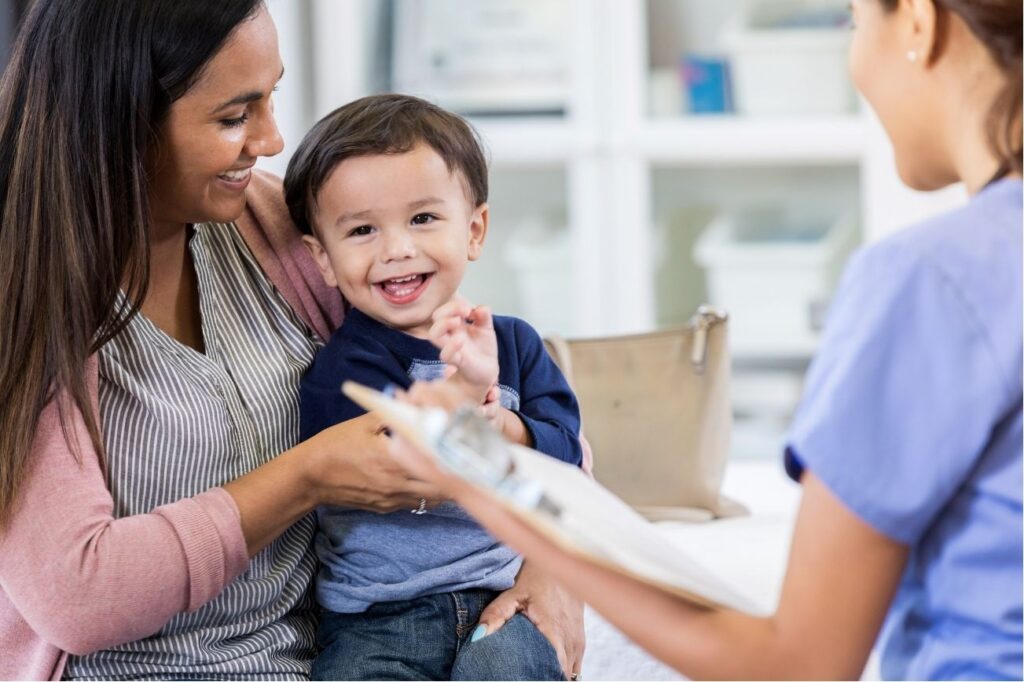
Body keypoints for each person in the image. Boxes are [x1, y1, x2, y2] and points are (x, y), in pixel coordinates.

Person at [388, 0, 1023, 679]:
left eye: (855, 21)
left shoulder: (930, 279)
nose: (855, 58)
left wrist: (490, 491)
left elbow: (798, 665)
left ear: (920, 23)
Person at [0, 2, 584, 680]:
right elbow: (79, 596)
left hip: (319, 656)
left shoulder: (277, 226)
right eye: (234, 116)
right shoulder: (26, 300)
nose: (272, 140)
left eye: (271, 97)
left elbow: (536, 416)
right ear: (120, 121)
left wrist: (555, 575)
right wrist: (307, 475)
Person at [282, 93, 583, 681]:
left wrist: (508, 427)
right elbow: (402, 468)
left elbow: (567, 453)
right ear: (322, 259)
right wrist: (467, 396)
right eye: (363, 229)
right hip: (377, 617)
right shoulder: (342, 367)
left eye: (422, 219)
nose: (397, 249)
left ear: (475, 230)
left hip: (504, 595)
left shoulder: (517, 344)